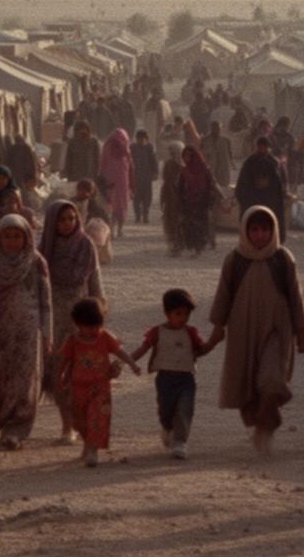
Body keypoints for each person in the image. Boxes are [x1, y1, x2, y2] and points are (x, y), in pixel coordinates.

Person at [206, 206, 304, 455]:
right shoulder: (235, 260)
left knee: (272, 379)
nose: (260, 235)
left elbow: (295, 296)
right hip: (243, 330)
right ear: (246, 231)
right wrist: (218, 327)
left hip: (277, 329)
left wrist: (301, 329)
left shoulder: (283, 259)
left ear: (273, 230)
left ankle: (267, 427)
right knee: (248, 384)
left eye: (265, 229)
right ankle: (261, 424)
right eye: (254, 230)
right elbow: (224, 295)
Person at [0, 213, 52, 450]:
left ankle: (16, 429)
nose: (13, 241)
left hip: (27, 330)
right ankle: (5, 420)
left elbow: (46, 301)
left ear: (26, 238)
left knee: (23, 380)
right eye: (8, 236)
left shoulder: (36, 262)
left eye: (17, 236)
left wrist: (47, 333)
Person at [40, 199, 105, 445]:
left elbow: (95, 280)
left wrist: (99, 307)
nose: (67, 224)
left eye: (71, 219)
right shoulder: (45, 249)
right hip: (54, 318)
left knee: (82, 374)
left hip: (81, 317)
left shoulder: (86, 246)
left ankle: (81, 423)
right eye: (62, 219)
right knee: (60, 373)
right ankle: (67, 426)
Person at [129, 288, 215, 460]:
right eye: (178, 313)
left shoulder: (190, 333)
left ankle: (180, 441)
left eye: (186, 314)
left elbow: (200, 350)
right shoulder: (157, 332)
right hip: (165, 379)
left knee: (185, 409)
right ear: (167, 313)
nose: (183, 318)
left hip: (186, 378)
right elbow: (143, 348)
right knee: (166, 410)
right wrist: (127, 361)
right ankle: (167, 428)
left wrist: (215, 340)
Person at [59, 297, 138, 467]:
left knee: (97, 418)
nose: (94, 330)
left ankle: (92, 450)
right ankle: (87, 444)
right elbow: (63, 361)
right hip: (78, 388)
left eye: (97, 325)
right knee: (78, 421)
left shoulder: (105, 337)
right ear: (78, 324)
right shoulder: (72, 341)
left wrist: (132, 363)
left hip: (100, 387)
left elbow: (120, 352)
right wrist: (58, 378)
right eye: (89, 326)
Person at [234, 136, 288, 227]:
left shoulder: (273, 162)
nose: (262, 149)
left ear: (268, 148)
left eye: (265, 147)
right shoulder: (250, 162)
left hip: (269, 199)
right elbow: (243, 181)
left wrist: (270, 185)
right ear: (257, 147)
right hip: (253, 198)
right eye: (260, 146)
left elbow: (280, 181)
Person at [173, 144, 218, 255]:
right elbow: (179, 187)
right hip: (187, 202)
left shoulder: (204, 170)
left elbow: (211, 185)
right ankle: (180, 247)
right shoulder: (184, 171)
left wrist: (210, 200)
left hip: (202, 202)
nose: (186, 158)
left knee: (200, 226)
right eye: (185, 156)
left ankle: (199, 248)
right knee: (185, 225)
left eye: (189, 156)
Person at [100, 128, 134, 234]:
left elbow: (102, 165)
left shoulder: (109, 148)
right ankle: (117, 229)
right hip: (118, 184)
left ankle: (115, 228)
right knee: (118, 205)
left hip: (115, 183)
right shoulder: (124, 151)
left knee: (113, 205)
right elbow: (131, 168)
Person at [130, 130, 158, 225]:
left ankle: (145, 215)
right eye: (139, 139)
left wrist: (155, 172)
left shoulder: (149, 148)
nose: (141, 141)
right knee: (136, 198)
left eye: (143, 139)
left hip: (147, 177)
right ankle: (137, 215)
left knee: (147, 198)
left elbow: (154, 161)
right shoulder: (133, 148)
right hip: (136, 177)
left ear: (146, 139)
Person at [205, 120, 234, 188]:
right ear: (211, 128)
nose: (216, 130)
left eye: (218, 128)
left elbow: (230, 153)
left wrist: (231, 163)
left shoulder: (226, 140)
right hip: (212, 167)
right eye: (214, 128)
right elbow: (204, 153)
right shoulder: (206, 140)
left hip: (223, 167)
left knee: (224, 186)